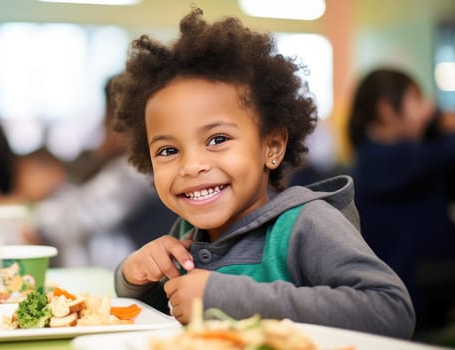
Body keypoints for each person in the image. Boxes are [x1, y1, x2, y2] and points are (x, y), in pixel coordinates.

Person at [112, 9, 415, 339]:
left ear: (271, 147)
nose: (191, 166)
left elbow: (390, 310)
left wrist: (223, 297)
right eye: (168, 150)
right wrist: (134, 277)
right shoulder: (189, 232)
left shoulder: (303, 225)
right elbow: (173, 311)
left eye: (218, 139)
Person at [348, 68, 455, 334]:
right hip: (410, 296)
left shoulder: (408, 156)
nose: (427, 109)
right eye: (417, 100)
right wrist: (442, 122)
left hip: (423, 289)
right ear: (386, 108)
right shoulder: (382, 159)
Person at [30, 76, 176, 269]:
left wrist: (37, 219)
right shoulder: (116, 163)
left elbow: (85, 215)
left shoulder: (138, 169)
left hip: (125, 273)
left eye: (108, 118)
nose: (103, 127)